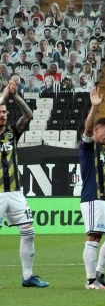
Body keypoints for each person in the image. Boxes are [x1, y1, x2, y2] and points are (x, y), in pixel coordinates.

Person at [0, 81, 48, 288]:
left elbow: (28, 116)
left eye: (4, 112)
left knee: (29, 232)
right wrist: (3, 96)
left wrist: (16, 97)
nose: (2, 115)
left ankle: (27, 277)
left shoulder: (12, 133)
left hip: (15, 192)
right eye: (0, 112)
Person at [79, 87, 105, 290]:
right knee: (94, 237)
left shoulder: (102, 152)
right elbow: (87, 129)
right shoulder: (88, 147)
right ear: (97, 130)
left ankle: (99, 273)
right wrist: (94, 107)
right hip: (93, 198)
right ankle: (90, 280)